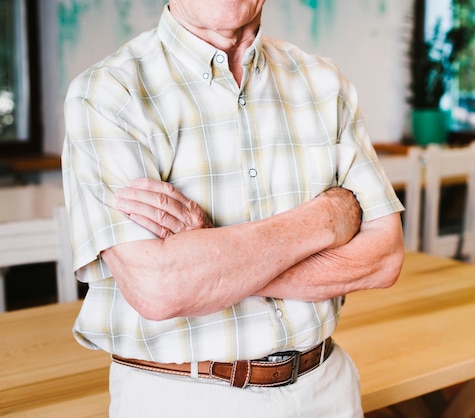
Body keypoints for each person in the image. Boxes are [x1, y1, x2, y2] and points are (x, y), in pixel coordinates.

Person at [62, 1, 405, 417]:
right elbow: (159, 288)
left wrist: (210, 257)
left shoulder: (325, 82)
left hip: (326, 388)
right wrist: (326, 220)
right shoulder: (107, 93)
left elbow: (383, 258)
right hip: (181, 399)